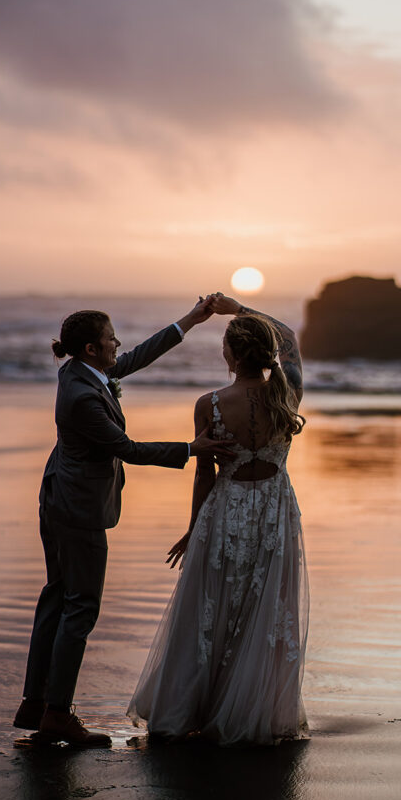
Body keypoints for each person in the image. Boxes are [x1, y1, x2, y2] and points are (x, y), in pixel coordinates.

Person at [14, 298, 233, 747]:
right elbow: (127, 448)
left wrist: (190, 321)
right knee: (80, 607)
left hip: (59, 497)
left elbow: (136, 358)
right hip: (77, 510)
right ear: (93, 348)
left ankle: (36, 704)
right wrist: (192, 448)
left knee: (57, 598)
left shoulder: (80, 372)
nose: (119, 343)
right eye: (111, 338)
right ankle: (57, 713)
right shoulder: (81, 397)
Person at [128, 293, 309, 745]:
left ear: (230, 355)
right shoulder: (285, 395)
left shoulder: (208, 404)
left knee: (213, 611)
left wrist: (194, 528)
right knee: (263, 610)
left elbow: (203, 473)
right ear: (266, 352)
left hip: (225, 510)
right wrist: (237, 307)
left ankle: (193, 708)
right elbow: (289, 336)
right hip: (273, 510)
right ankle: (251, 711)